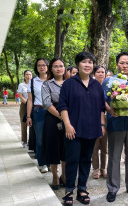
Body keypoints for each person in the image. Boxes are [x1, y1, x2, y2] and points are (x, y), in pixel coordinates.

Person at [57, 51, 105, 205]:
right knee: (72, 160)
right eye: (84, 62)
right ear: (78, 64)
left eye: (90, 62)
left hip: (91, 129)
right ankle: (69, 190)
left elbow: (101, 108)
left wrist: (102, 125)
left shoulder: (96, 85)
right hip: (73, 130)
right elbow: (63, 106)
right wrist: (68, 125)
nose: (87, 65)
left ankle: (82, 189)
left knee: (86, 160)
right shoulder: (69, 84)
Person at [102, 52, 128, 203]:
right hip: (116, 123)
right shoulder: (108, 81)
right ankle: (113, 188)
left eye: (127, 63)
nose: (125, 66)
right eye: (122, 63)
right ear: (117, 65)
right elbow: (103, 101)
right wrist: (110, 110)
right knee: (114, 157)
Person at [41, 58, 66, 190]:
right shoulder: (47, 84)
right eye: (55, 66)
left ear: (64, 68)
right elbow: (47, 103)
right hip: (52, 117)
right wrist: (62, 116)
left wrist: (67, 118)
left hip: (69, 118)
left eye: (61, 66)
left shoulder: (70, 83)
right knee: (53, 146)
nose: (58, 68)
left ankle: (65, 175)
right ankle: (55, 176)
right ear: (51, 68)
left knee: (66, 147)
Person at [26, 58, 49, 173]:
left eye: (44, 65)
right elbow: (30, 100)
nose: (42, 67)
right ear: (36, 67)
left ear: (48, 66)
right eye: (39, 65)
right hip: (38, 111)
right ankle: (42, 163)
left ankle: (51, 162)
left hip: (52, 112)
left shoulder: (52, 79)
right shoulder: (33, 81)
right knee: (40, 139)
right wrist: (29, 116)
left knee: (51, 138)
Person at [91, 66, 108, 179]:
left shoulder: (108, 86)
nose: (101, 74)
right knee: (95, 146)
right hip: (93, 118)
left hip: (106, 118)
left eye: (103, 72)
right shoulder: (90, 85)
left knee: (104, 145)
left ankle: (103, 168)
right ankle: (95, 168)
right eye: (98, 72)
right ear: (94, 73)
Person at [18, 70, 33, 147]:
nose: (28, 76)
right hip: (24, 106)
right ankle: (24, 140)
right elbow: (20, 96)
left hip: (34, 105)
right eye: (27, 74)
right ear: (24, 76)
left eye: (30, 74)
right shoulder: (21, 85)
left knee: (33, 124)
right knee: (24, 123)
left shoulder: (34, 84)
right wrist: (27, 103)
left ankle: (32, 141)